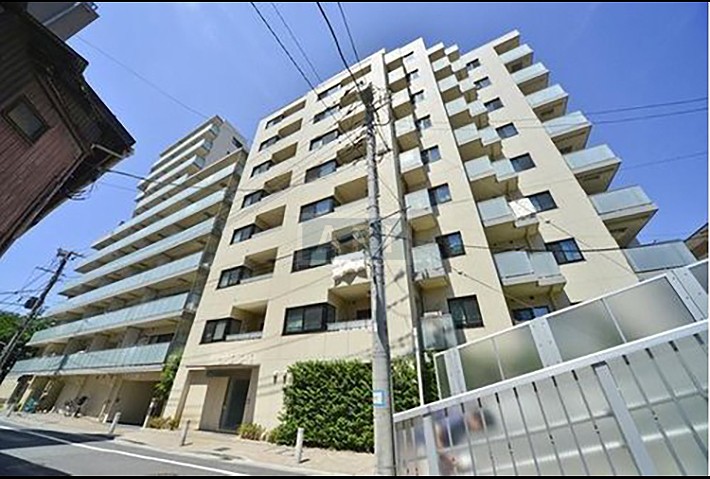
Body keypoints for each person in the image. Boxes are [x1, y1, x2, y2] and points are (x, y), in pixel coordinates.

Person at [434, 408, 493, 475]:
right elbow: (436, 430)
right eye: (480, 427)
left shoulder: (463, 428)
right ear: (476, 420)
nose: (478, 430)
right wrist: (446, 455)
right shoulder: (457, 420)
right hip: (427, 446)